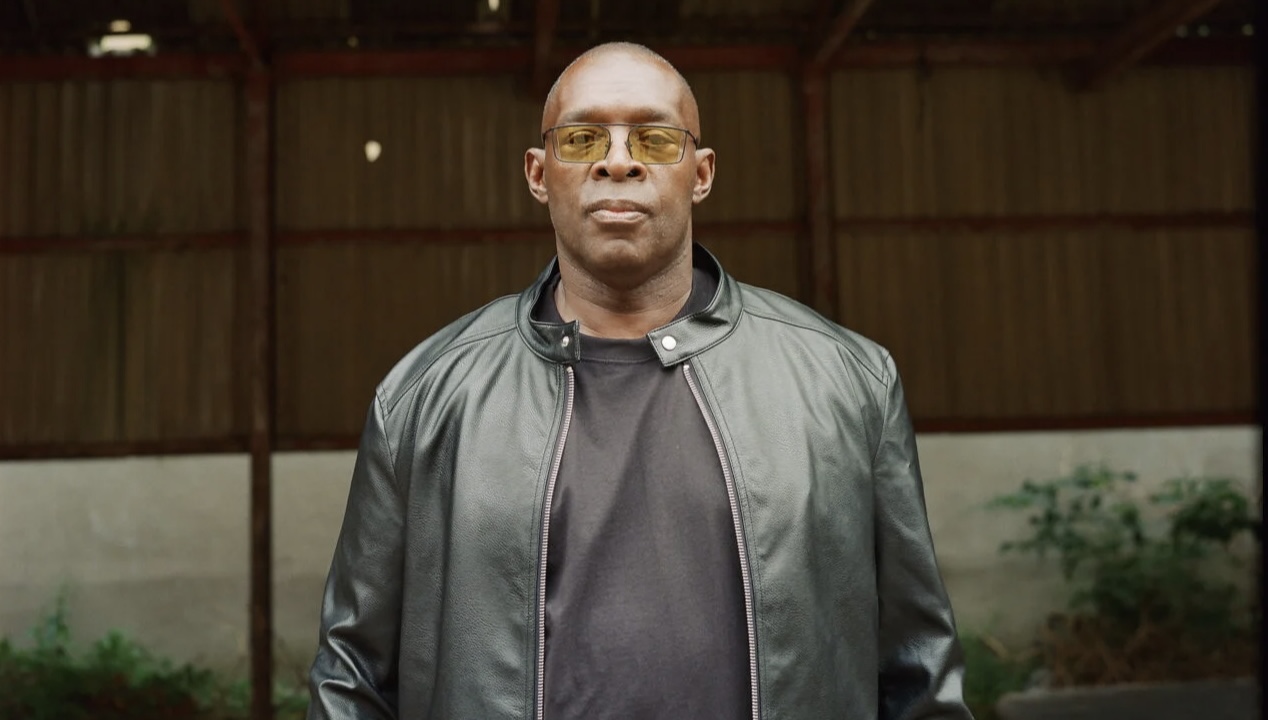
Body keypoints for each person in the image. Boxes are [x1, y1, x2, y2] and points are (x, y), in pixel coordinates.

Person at [307, 41, 973, 720]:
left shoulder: (849, 382)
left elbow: (917, 671)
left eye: (654, 139)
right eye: (583, 139)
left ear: (701, 173)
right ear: (538, 173)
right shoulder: (423, 397)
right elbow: (351, 676)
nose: (619, 161)